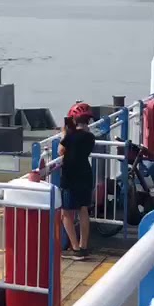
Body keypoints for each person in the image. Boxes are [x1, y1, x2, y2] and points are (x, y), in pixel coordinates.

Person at [58, 102, 96, 260]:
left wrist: (63, 134)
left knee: (66, 213)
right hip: (86, 175)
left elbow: (61, 151)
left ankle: (75, 249)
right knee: (83, 210)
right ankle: (84, 246)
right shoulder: (90, 137)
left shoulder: (70, 136)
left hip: (70, 176)